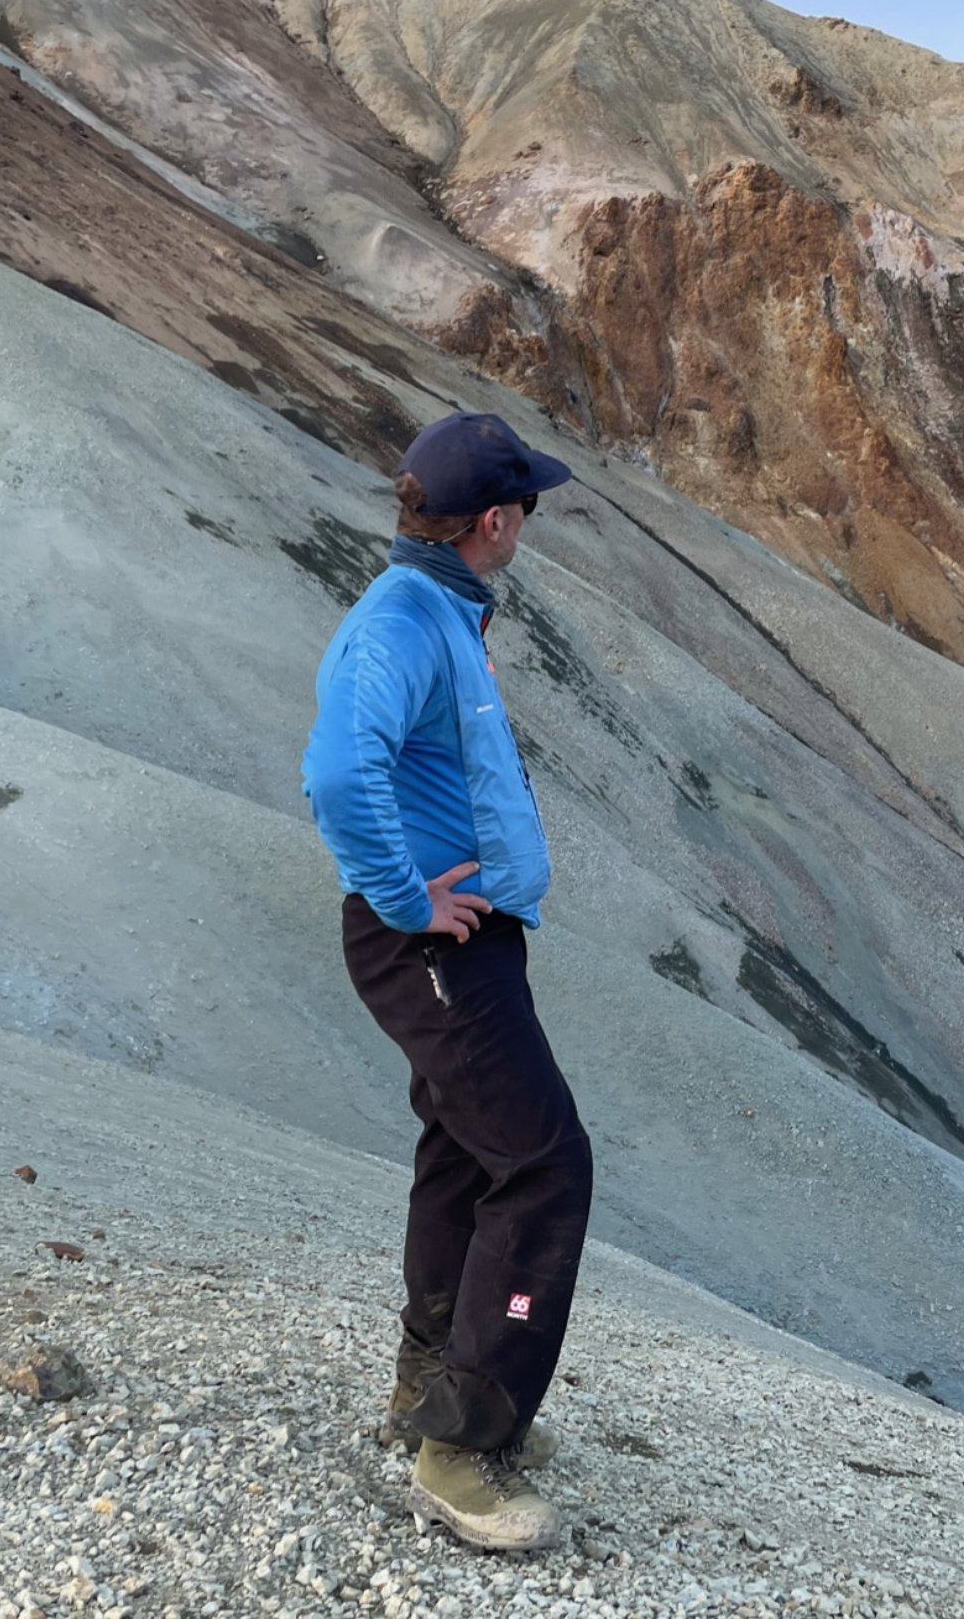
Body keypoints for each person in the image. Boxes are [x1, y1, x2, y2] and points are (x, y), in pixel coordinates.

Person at [302, 410, 591, 1552]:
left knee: (468, 1153)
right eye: (525, 508)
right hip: (432, 946)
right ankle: (465, 1445)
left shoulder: (435, 609)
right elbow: (336, 770)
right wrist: (405, 896)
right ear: (495, 522)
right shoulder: (405, 622)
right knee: (542, 1161)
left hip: (456, 939)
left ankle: (433, 1382)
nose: (527, 523)